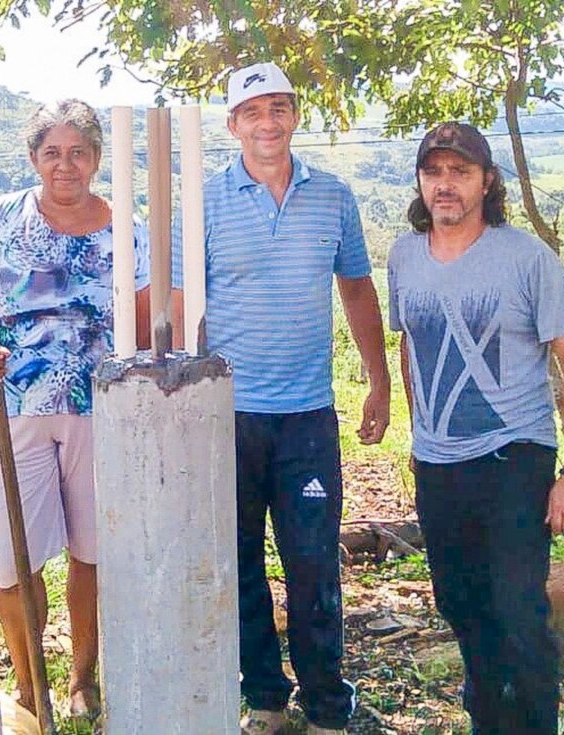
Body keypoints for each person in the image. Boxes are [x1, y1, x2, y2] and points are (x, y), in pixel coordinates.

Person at [172, 62, 390, 735]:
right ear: (232, 124)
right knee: (238, 562)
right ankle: (265, 698)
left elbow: (356, 288)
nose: (268, 122)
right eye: (253, 111)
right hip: (228, 414)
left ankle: (326, 704)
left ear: (295, 116)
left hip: (307, 418)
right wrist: (184, 397)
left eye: (280, 108)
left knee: (312, 564)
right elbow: (187, 308)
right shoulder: (203, 203)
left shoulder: (334, 198)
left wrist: (378, 379)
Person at [387, 122, 564, 735]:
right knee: (461, 605)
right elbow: (409, 348)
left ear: (486, 181)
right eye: (434, 172)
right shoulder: (404, 255)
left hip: (515, 457)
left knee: (516, 610)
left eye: (460, 172)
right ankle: (490, 721)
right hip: (438, 463)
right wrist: (420, 436)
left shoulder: (526, 258)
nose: (445, 184)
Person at [0, 98, 150, 719]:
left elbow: (144, 329)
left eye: (79, 152)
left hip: (100, 414)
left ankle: (82, 678)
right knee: (15, 559)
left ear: (96, 158)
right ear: (34, 157)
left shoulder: (128, 230)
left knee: (92, 552)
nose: (66, 165)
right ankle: (31, 685)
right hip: (14, 410)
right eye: (52, 152)